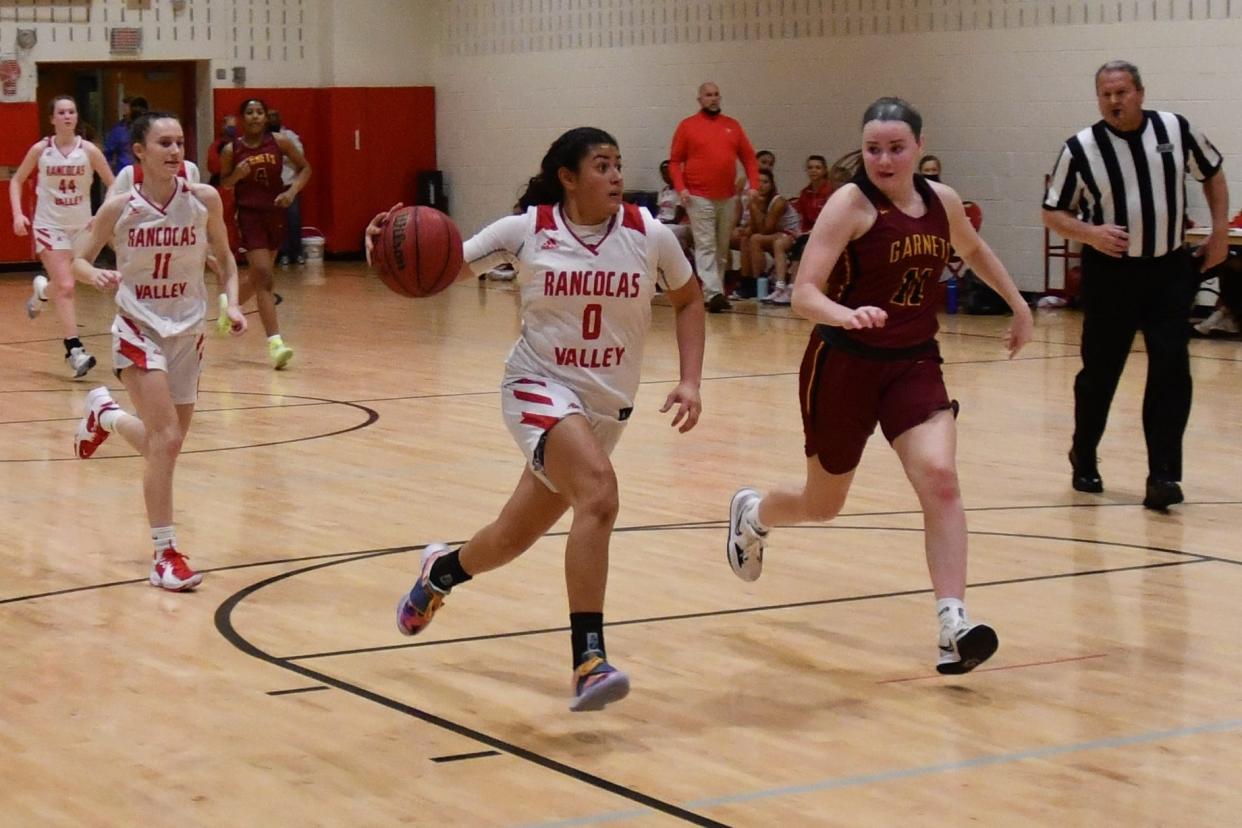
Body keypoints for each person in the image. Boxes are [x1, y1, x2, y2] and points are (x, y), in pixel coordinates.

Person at [366, 127, 706, 712]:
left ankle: (439, 574)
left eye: (619, 164)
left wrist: (691, 378)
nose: (617, 176)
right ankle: (589, 661)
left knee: (509, 538)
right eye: (602, 166)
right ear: (568, 179)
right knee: (599, 496)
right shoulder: (525, 232)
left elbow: (689, 299)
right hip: (537, 388)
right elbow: (439, 271)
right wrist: (383, 247)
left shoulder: (650, 236)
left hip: (604, 409)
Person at [726, 97, 1034, 675]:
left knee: (940, 479)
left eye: (896, 148)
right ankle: (754, 513)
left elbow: (973, 248)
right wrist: (845, 315)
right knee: (824, 505)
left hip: (913, 362)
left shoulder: (941, 203)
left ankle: (952, 623)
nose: (884, 159)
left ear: (918, 147)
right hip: (843, 363)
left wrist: (1018, 304)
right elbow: (803, 292)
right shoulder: (849, 205)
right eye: (873, 149)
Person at [69, 111, 247, 591]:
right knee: (165, 439)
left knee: (162, 443)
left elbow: (228, 262)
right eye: (164, 143)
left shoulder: (204, 200)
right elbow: (78, 260)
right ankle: (165, 554)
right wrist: (97, 275)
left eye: (180, 142)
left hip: (187, 330)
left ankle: (103, 415)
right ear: (140, 153)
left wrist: (231, 302)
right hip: (137, 325)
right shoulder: (120, 207)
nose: (174, 151)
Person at [1042, 60, 1228, 510]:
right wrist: (1090, 233)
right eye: (1106, 94)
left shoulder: (1175, 129)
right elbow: (1052, 212)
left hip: (1168, 271)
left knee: (1171, 372)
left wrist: (1219, 233)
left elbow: (1214, 175)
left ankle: (1163, 475)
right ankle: (1084, 453)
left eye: (1122, 92)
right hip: (1112, 276)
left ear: (1140, 93)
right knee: (1100, 374)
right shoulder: (1081, 148)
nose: (1114, 101)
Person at [8, 95, 115, 377]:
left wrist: (101, 212)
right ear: (52, 118)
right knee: (67, 286)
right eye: (62, 112)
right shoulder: (41, 150)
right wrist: (18, 214)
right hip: (49, 225)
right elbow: (17, 181)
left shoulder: (89, 151)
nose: (67, 116)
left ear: (76, 117)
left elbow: (114, 186)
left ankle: (42, 292)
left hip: (81, 227)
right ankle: (75, 351)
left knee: (65, 283)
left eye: (72, 111)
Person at [220, 97, 311, 369]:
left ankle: (230, 303)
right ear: (241, 118)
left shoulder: (280, 142)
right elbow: (224, 183)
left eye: (260, 112)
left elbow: (305, 168)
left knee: (261, 277)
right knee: (265, 277)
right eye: (250, 112)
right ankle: (276, 344)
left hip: (276, 212)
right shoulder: (231, 149)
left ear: (265, 117)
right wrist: (237, 174)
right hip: (249, 215)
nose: (255, 117)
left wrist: (291, 191)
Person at [669, 81, 760, 313]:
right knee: (706, 244)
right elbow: (675, 161)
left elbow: (749, 157)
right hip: (698, 196)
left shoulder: (732, 126)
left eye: (716, 94)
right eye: (708, 95)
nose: (713, 98)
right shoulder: (687, 126)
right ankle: (713, 292)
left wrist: (754, 185)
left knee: (721, 247)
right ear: (700, 99)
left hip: (727, 196)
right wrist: (681, 188)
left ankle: (715, 292)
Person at [738, 169, 800, 305]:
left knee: (757, 239)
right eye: (758, 182)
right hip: (777, 233)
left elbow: (766, 229)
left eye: (765, 182)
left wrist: (753, 206)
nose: (761, 185)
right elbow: (755, 228)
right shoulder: (758, 200)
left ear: (772, 185)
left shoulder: (778, 202)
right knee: (749, 239)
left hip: (792, 233)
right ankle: (753, 282)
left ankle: (771, 283)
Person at [267, 108, 306, 266]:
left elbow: (299, 156)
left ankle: (296, 252)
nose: (273, 120)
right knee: (275, 223)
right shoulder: (262, 138)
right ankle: (281, 253)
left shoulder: (289, 136)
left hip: (289, 185)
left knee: (293, 220)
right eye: (270, 117)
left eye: (275, 117)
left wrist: (282, 154)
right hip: (270, 187)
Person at [103, 95, 147, 174]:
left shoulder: (149, 128)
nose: (125, 110)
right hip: (124, 172)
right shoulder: (118, 129)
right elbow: (107, 152)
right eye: (124, 108)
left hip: (146, 172)